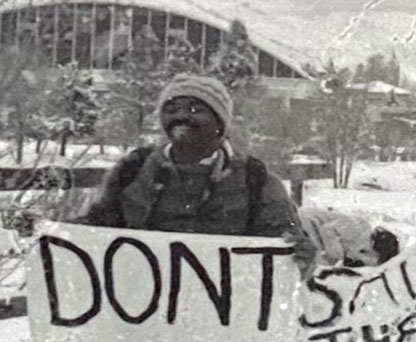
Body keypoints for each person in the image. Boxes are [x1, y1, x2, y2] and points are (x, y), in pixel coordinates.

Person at [74, 73, 317, 272]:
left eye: (194, 109)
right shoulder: (133, 169)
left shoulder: (256, 179)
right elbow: (93, 230)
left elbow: (284, 247)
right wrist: (46, 232)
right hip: (138, 311)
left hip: (220, 318)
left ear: (220, 121)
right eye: (171, 108)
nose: (180, 116)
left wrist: (300, 255)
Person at [298, 207, 399, 267]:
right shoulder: (357, 230)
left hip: (310, 234)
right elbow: (328, 230)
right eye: (377, 261)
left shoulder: (360, 247)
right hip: (306, 223)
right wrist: (337, 255)